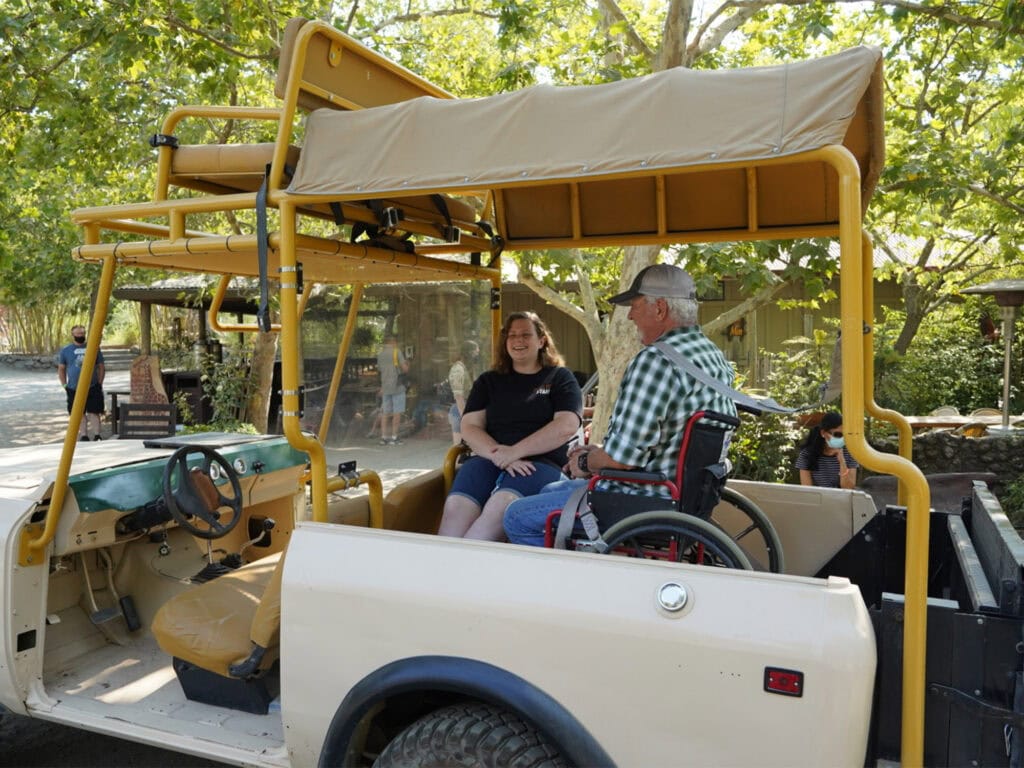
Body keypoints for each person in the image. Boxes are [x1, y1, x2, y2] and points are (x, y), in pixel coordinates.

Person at [503, 264, 737, 547]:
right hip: (687, 496)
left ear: (660, 309)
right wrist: (602, 452)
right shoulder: (712, 356)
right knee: (551, 487)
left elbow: (623, 460)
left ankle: (570, 583)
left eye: (635, 306)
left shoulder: (656, 362)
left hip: (639, 501)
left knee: (516, 516)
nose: (630, 315)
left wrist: (586, 461)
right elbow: (658, 442)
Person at [437, 311, 582, 541]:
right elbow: (470, 426)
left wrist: (515, 452)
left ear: (541, 340)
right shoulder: (489, 381)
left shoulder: (559, 378)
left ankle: (462, 570)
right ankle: (442, 569)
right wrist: (500, 455)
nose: (518, 340)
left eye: (526, 334)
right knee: (454, 509)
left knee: (500, 506)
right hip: (489, 458)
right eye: (512, 335)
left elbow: (566, 425)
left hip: (540, 464)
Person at [57, 324, 106, 442]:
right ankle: (83, 435)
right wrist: (64, 384)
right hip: (73, 387)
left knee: (94, 412)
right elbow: (61, 369)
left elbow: (101, 366)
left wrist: (99, 382)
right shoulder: (66, 351)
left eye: (82, 334)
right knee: (78, 413)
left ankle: (97, 435)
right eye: (78, 334)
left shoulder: (93, 348)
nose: (80, 336)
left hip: (93, 386)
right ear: (72, 335)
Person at [795, 411, 858, 489]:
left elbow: (848, 488)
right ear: (823, 433)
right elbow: (808, 490)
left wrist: (842, 462)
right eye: (838, 434)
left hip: (842, 498)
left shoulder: (850, 453)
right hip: (817, 499)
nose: (842, 439)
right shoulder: (807, 455)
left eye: (845, 434)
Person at [376, 334, 408, 445]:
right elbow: (404, 369)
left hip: (385, 387)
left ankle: (384, 437)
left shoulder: (380, 355)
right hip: (397, 387)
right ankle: (394, 437)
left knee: (385, 413)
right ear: (393, 342)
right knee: (397, 413)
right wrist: (408, 365)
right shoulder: (396, 352)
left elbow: (380, 370)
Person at [447, 340, 479, 445]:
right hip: (460, 410)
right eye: (475, 352)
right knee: (459, 448)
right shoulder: (458, 369)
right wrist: (465, 418)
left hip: (467, 408)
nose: (477, 355)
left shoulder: (467, 368)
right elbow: (458, 396)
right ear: (469, 352)